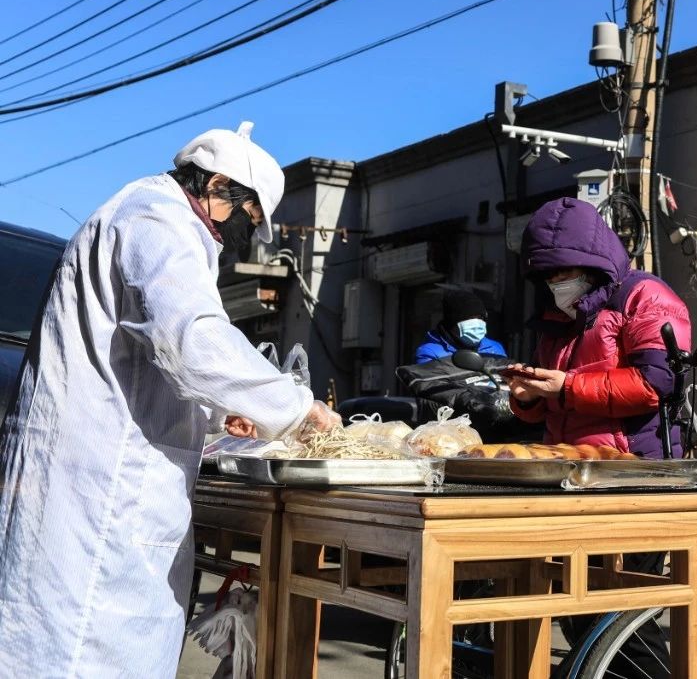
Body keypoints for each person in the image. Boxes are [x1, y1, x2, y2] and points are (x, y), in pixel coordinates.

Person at [0, 122, 339, 677]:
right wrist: (297, 409)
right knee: (78, 652)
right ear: (218, 185)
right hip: (96, 496)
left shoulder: (155, 217)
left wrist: (216, 410)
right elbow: (192, 339)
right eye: (246, 217)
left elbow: (147, 361)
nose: (238, 234)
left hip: (106, 485)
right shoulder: (157, 219)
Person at [503, 197, 691, 458]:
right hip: (565, 464)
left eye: (564, 271)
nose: (556, 282)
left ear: (592, 263)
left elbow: (656, 384)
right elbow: (551, 407)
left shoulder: (644, 296)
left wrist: (567, 387)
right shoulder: (556, 314)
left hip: (629, 468)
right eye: (548, 275)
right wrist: (529, 397)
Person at [413, 288, 506, 364]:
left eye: (480, 317)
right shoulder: (430, 352)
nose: (476, 323)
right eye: (470, 318)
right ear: (453, 322)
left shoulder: (494, 347)